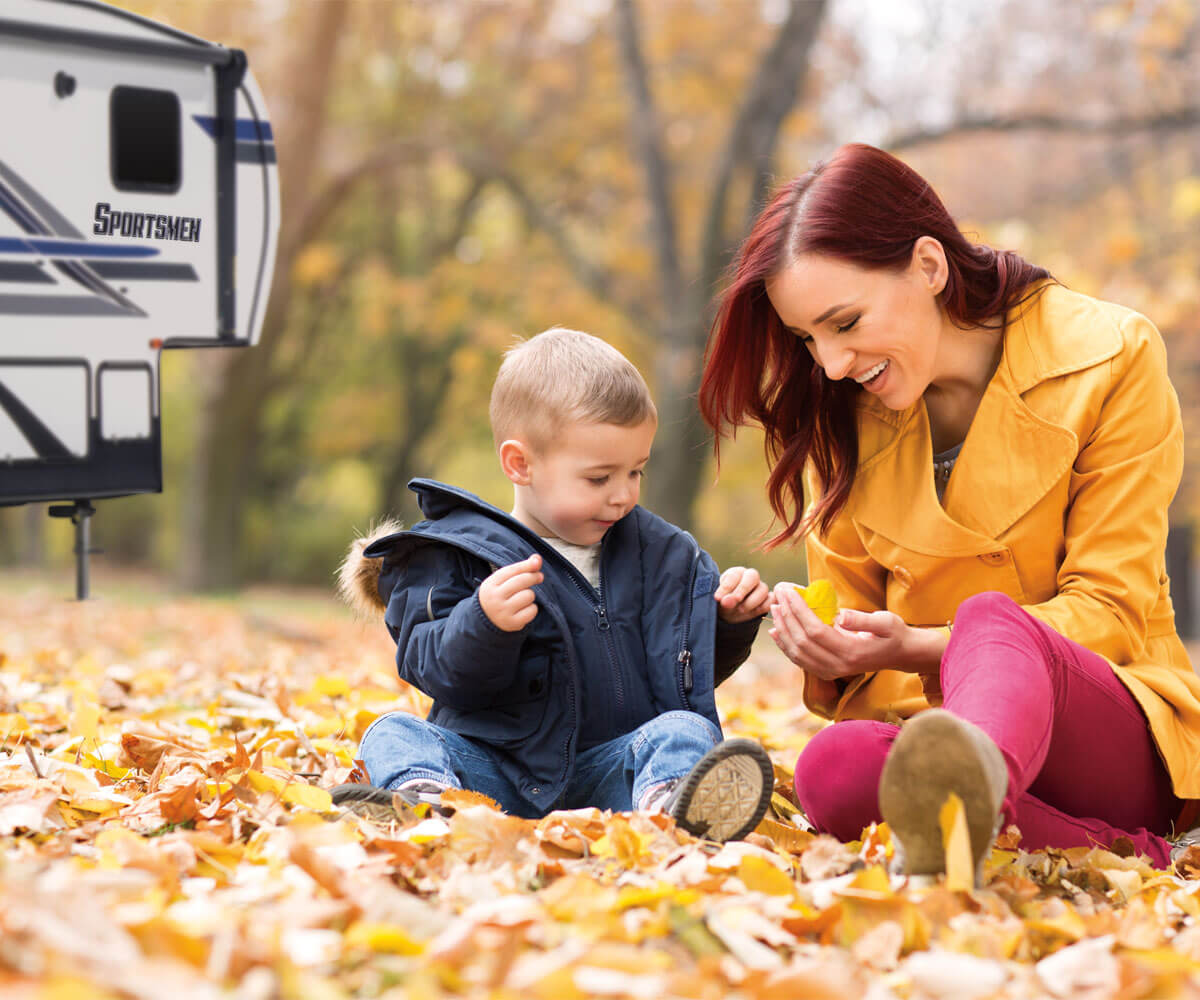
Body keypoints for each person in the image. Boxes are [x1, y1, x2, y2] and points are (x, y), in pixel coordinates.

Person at [697, 142, 1200, 878]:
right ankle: (1101, 847)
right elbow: (863, 666)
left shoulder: (1110, 355)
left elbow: (1112, 611)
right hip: (937, 735)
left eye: (845, 322)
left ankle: (980, 786)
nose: (832, 364)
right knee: (832, 767)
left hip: (1109, 725)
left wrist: (920, 645)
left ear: (929, 267)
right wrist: (830, 652)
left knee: (994, 619)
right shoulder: (840, 418)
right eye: (809, 339)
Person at [333, 327, 775, 842]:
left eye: (636, 472)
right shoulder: (462, 560)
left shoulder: (661, 556)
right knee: (393, 731)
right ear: (521, 464)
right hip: (494, 776)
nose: (623, 496)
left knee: (686, 730)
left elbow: (677, 673)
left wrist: (726, 622)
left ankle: (669, 810)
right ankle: (429, 803)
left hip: (612, 772)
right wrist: (483, 624)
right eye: (599, 478)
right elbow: (433, 668)